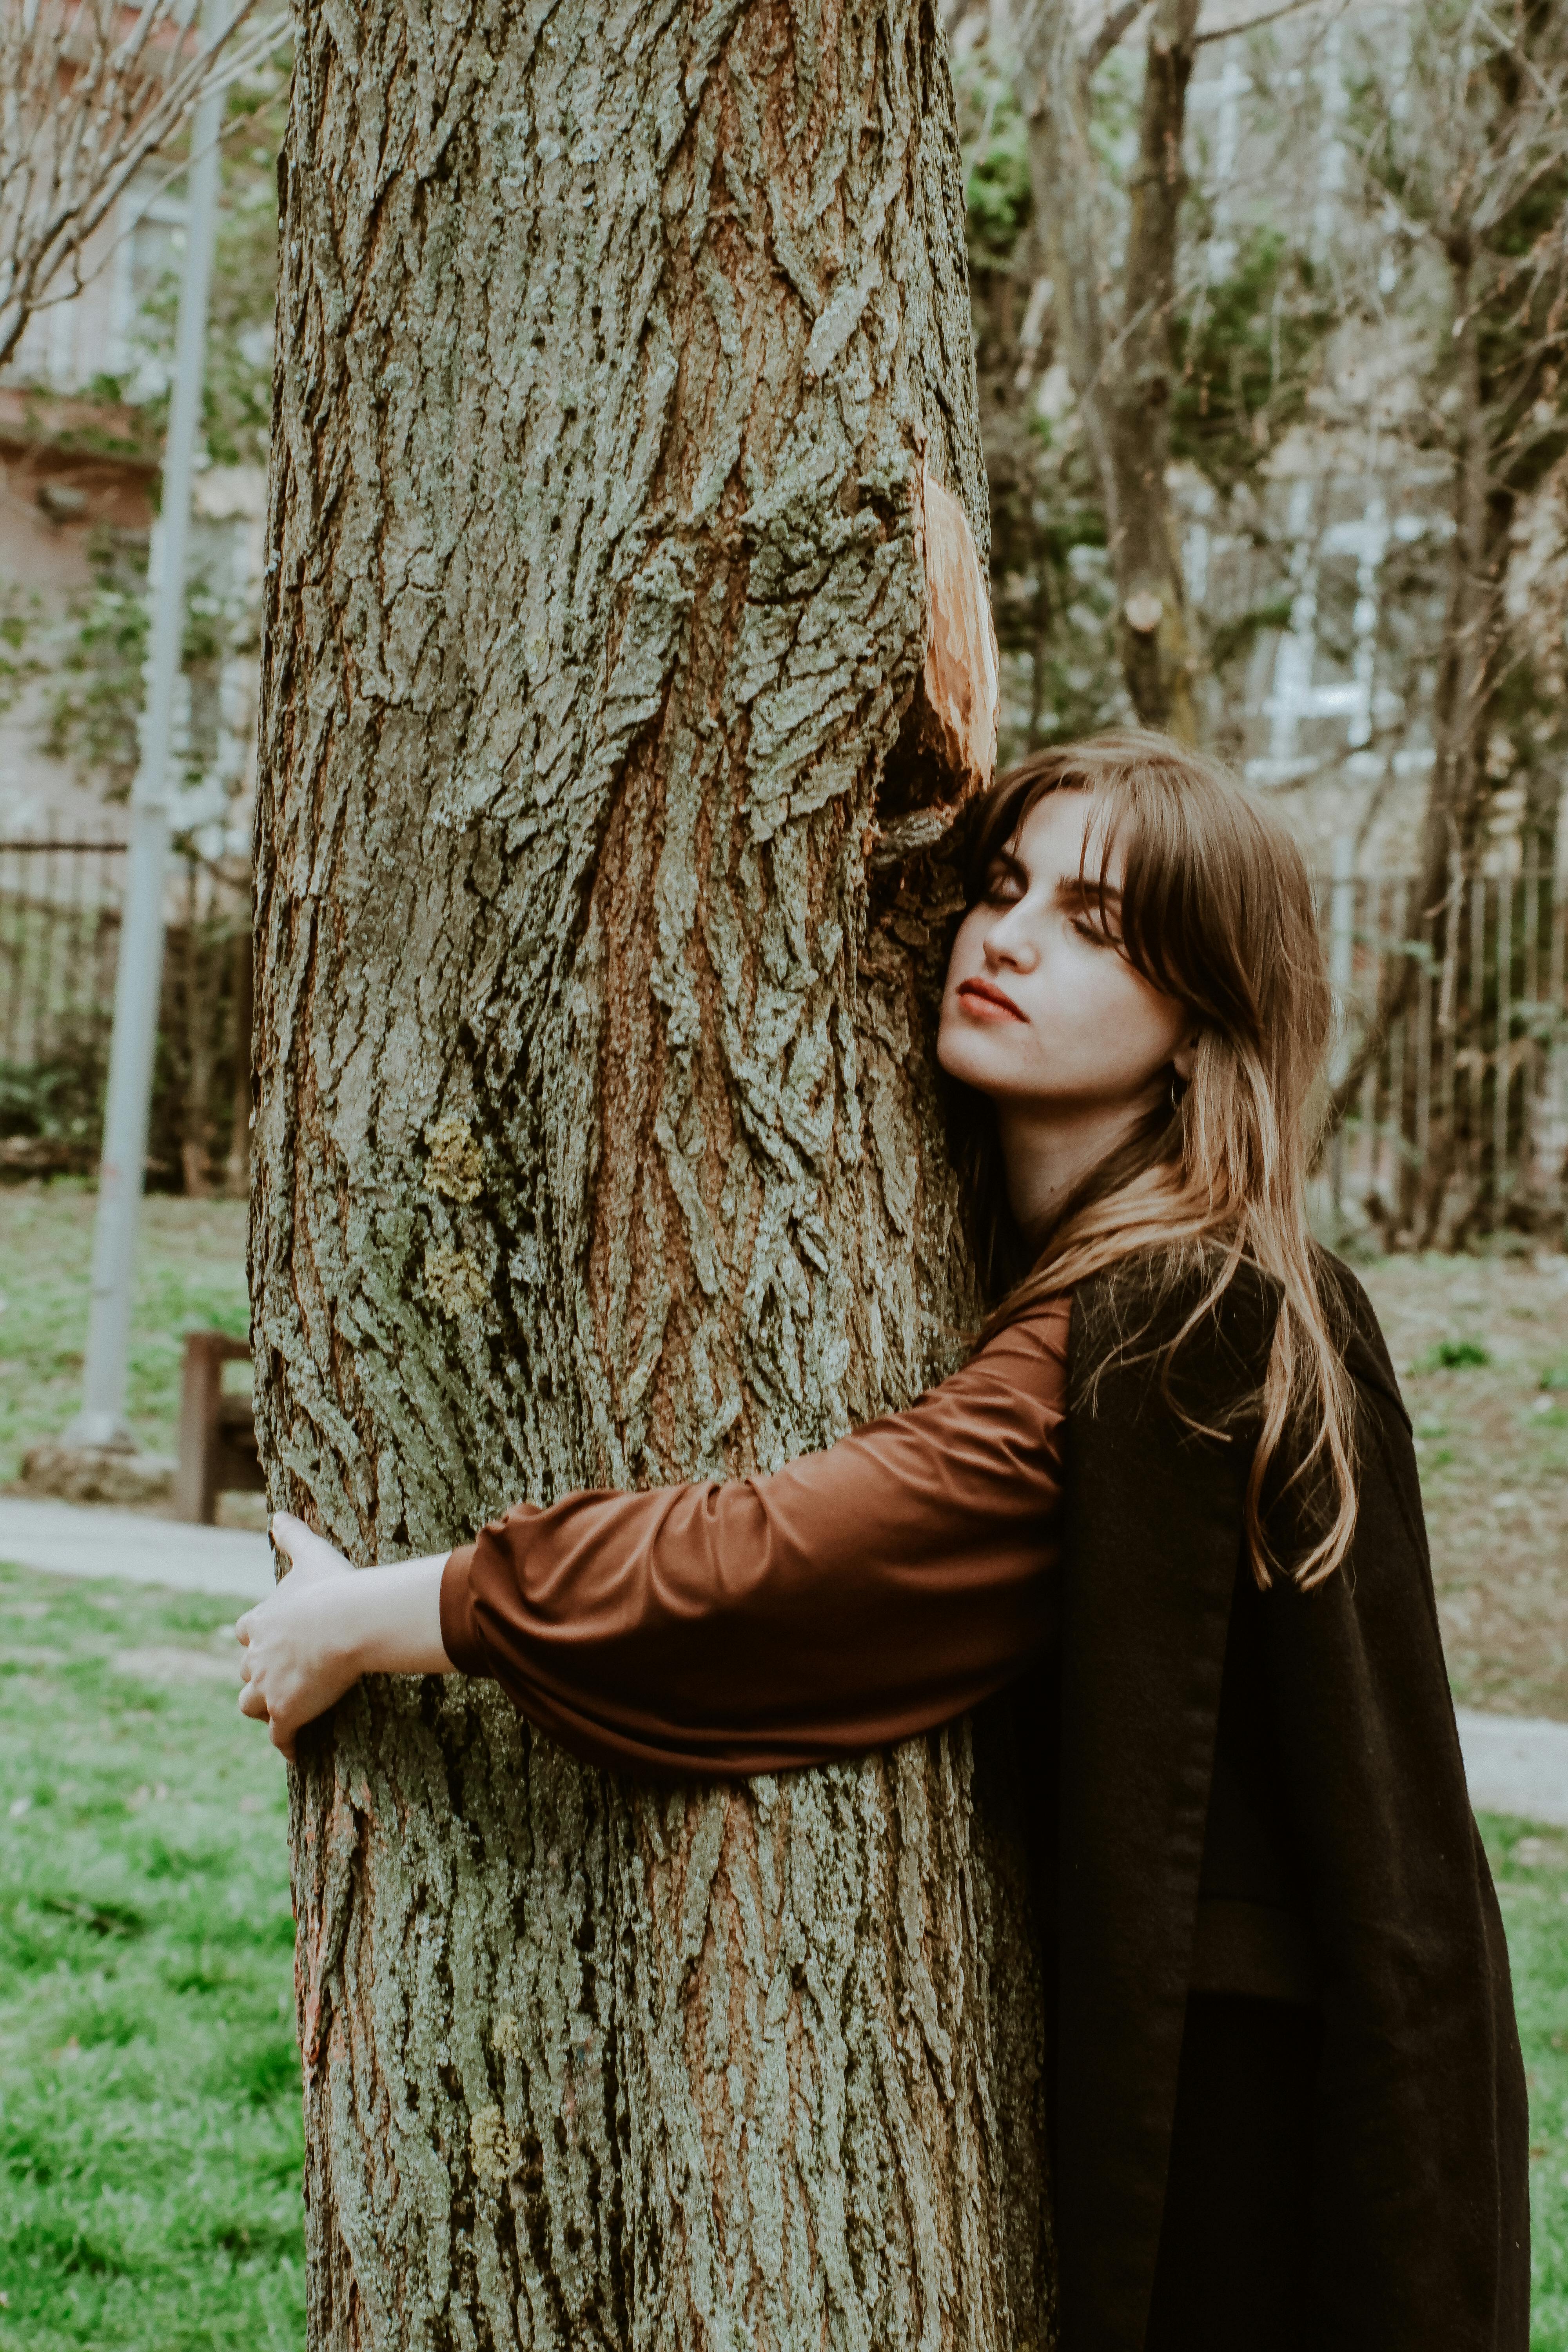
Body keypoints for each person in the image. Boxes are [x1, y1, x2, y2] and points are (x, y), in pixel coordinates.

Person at [235, 732, 1528, 2352]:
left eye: (1096, 926)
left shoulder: (1176, 1317)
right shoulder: (1148, 1283)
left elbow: (792, 1562)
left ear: (1200, 1022)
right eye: (1002, 889)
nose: (1005, 939)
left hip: (1268, 2164)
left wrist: (384, 1615)